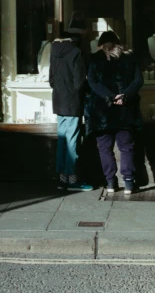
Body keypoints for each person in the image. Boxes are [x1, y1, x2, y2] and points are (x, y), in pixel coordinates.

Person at [87, 31, 143, 194]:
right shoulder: (129, 58)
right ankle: (128, 182)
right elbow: (138, 80)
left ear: (101, 44)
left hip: (102, 111)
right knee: (126, 147)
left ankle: (111, 182)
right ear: (118, 43)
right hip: (125, 110)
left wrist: (109, 97)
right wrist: (124, 95)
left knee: (104, 148)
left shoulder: (95, 59)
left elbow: (92, 82)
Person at [49, 29, 93, 192]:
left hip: (59, 100)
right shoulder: (76, 52)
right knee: (72, 141)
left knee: (62, 140)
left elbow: (51, 79)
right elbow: (79, 81)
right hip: (73, 102)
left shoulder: (53, 51)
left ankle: (62, 179)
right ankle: (73, 178)